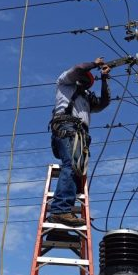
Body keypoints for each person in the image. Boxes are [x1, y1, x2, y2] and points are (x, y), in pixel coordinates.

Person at [47, 57, 111, 227]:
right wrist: (94, 64)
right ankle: (60, 210)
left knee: (76, 170)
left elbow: (104, 103)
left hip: (80, 134)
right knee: (71, 165)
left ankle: (63, 215)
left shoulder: (86, 98)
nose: (84, 83)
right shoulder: (65, 83)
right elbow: (78, 68)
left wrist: (104, 79)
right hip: (67, 127)